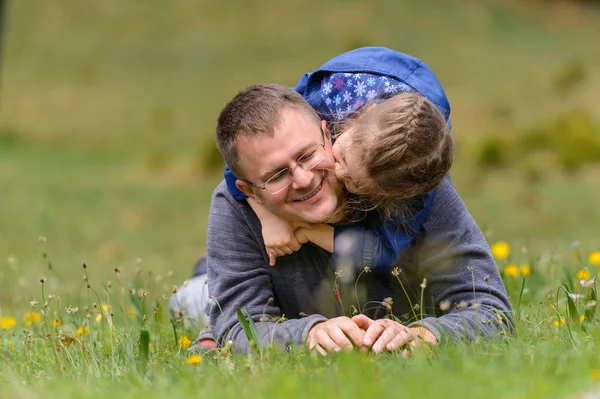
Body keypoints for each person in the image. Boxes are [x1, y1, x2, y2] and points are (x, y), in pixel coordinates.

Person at [171, 47, 513, 354]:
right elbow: (235, 329)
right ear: (249, 190)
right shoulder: (236, 204)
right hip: (219, 291)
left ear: (328, 132)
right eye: (277, 175)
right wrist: (309, 334)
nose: (303, 179)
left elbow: (492, 312)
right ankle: (204, 277)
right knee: (196, 302)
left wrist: (425, 335)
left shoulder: (403, 179)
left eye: (307, 155)